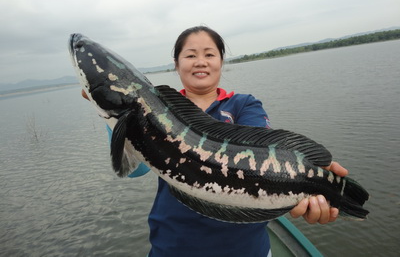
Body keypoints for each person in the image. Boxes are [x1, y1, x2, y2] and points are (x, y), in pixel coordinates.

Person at [90, 26, 348, 256]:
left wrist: (311, 173)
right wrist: (113, 113)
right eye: (190, 55)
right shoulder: (155, 112)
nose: (200, 62)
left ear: (221, 61)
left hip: (245, 249)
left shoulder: (244, 104)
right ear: (176, 64)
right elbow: (135, 170)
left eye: (209, 54)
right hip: (172, 245)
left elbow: (264, 151)